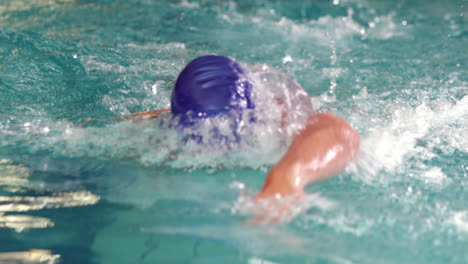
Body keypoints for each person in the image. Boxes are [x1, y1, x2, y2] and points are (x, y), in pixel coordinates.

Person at [126, 55, 360, 223]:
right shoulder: (154, 135)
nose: (223, 147)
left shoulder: (276, 122)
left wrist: (289, 175)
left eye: (230, 136)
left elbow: (339, 132)